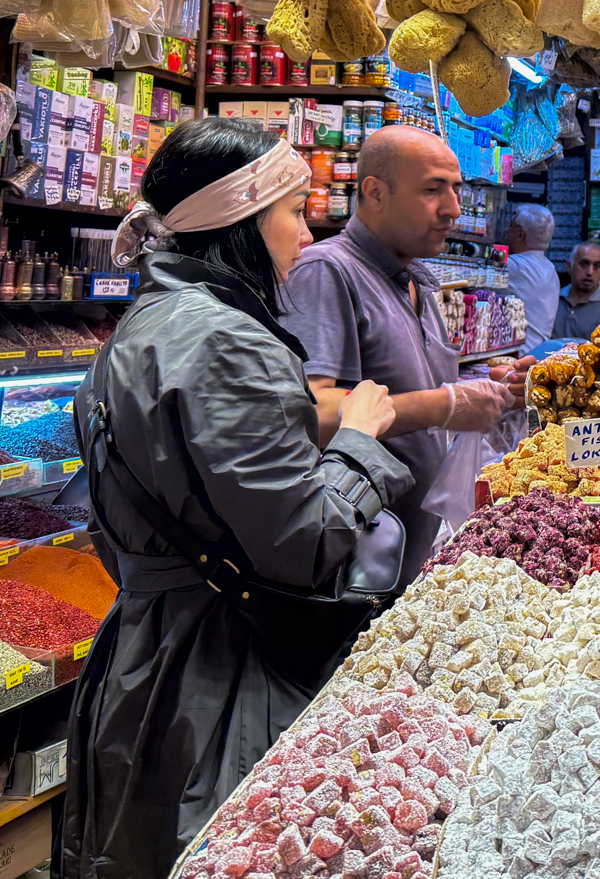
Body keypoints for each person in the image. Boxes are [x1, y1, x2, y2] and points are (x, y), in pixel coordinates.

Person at [62, 118, 411, 878]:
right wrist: (359, 440)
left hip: (144, 653)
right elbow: (304, 543)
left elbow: (113, 533)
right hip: (218, 677)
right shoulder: (228, 341)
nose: (307, 234)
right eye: (293, 211)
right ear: (239, 220)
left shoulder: (146, 323)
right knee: (219, 846)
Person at [281, 126, 519, 587]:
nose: (453, 208)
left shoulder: (415, 280)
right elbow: (309, 412)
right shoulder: (328, 271)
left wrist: (496, 390)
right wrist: (444, 405)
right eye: (433, 190)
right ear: (375, 193)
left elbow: (411, 388)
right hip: (352, 567)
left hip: (408, 555)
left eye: (455, 189)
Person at [506, 203, 561, 349]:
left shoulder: (515, 266)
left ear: (520, 234)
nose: (507, 231)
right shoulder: (551, 269)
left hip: (519, 353)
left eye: (510, 225)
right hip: (539, 352)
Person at [552, 240, 600, 340]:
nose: (590, 272)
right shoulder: (554, 299)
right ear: (569, 266)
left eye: (597, 266)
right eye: (584, 264)